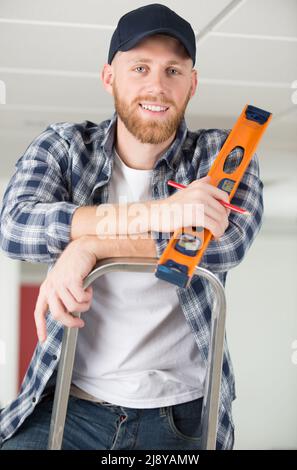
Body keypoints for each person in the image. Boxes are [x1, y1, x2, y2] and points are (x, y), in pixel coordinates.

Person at [0, 3, 263, 450]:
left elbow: (223, 246)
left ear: (192, 83)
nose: (156, 86)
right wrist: (162, 214)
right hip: (69, 400)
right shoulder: (63, 147)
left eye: (173, 71)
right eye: (140, 67)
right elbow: (15, 226)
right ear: (109, 77)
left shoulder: (221, 155)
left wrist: (87, 248)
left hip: (181, 418)